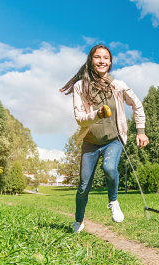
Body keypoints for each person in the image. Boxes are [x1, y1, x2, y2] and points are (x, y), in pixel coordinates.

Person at [60, 44, 149, 233]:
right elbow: (80, 119)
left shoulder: (118, 85)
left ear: (110, 62)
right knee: (84, 185)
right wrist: (97, 114)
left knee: (109, 167)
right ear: (90, 61)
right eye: (98, 57)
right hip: (91, 141)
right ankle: (78, 220)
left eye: (106, 58)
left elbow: (137, 105)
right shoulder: (80, 87)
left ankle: (113, 201)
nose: (102, 61)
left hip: (113, 140)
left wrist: (140, 131)